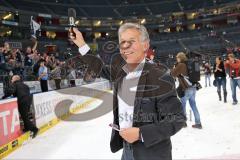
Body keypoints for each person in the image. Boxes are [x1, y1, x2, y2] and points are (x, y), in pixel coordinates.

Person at [70, 23, 186, 160]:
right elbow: (99, 67)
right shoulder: (121, 72)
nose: (125, 47)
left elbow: (177, 119)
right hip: (127, 151)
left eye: (131, 41)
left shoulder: (160, 77)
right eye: (122, 42)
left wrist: (141, 134)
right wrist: (82, 44)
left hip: (151, 154)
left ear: (145, 45)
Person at [171, 52, 202, 129]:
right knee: (193, 105)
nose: (176, 59)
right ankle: (198, 123)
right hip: (193, 87)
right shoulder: (187, 64)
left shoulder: (181, 65)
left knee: (182, 106)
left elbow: (172, 74)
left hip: (186, 88)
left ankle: (183, 122)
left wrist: (174, 67)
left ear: (180, 58)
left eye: (177, 58)